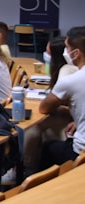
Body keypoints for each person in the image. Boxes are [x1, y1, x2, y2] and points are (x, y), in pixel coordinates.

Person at [22, 37, 79, 176]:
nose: (46, 56)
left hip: (74, 132)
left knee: (34, 128)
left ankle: (27, 172)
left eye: (48, 53)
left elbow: (45, 108)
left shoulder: (67, 71)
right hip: (73, 121)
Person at [39, 26, 85, 169]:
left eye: (67, 47)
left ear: (76, 53)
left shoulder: (71, 80)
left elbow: (44, 108)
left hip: (80, 151)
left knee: (49, 148)